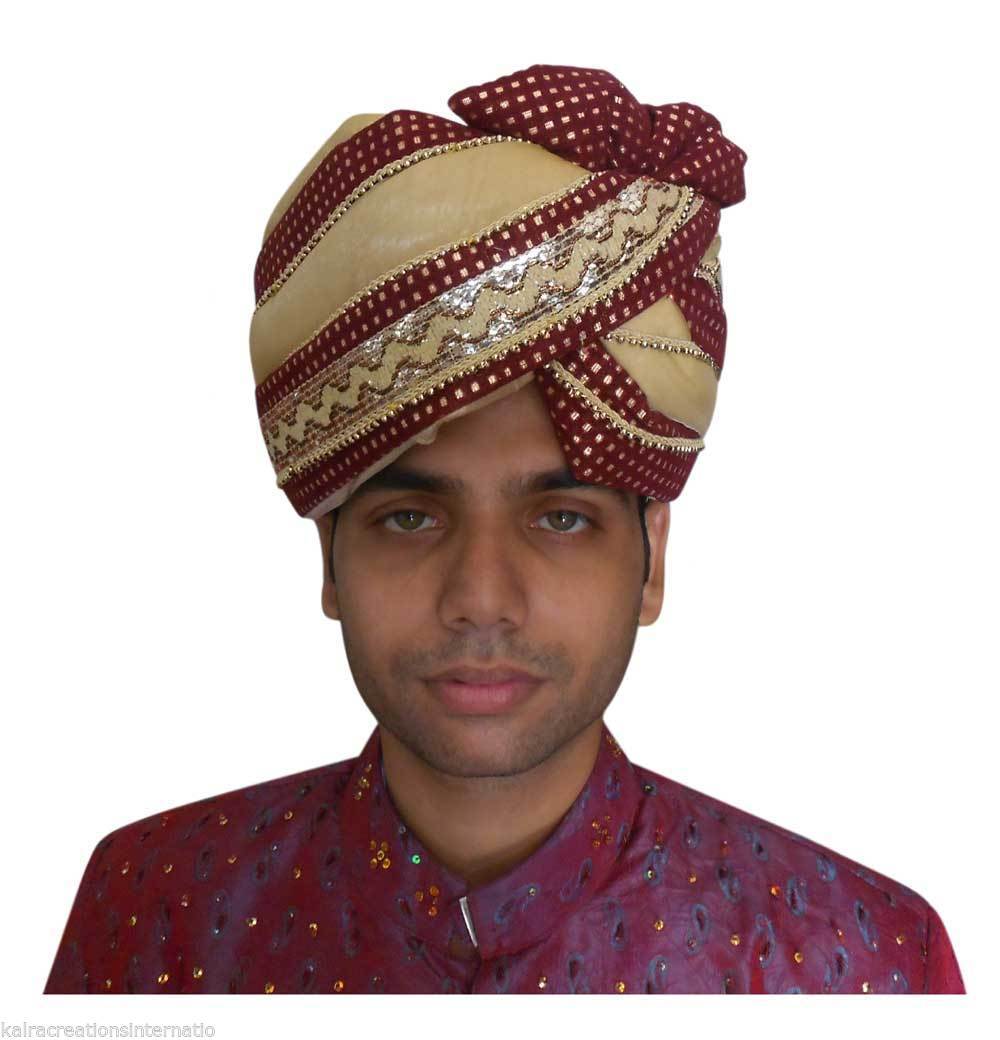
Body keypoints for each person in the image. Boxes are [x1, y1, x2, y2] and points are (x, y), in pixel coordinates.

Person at [44, 63, 964, 996]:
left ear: (651, 564)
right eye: (410, 518)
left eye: (560, 519)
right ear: (329, 561)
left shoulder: (866, 964)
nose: (481, 598)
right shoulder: (153, 914)